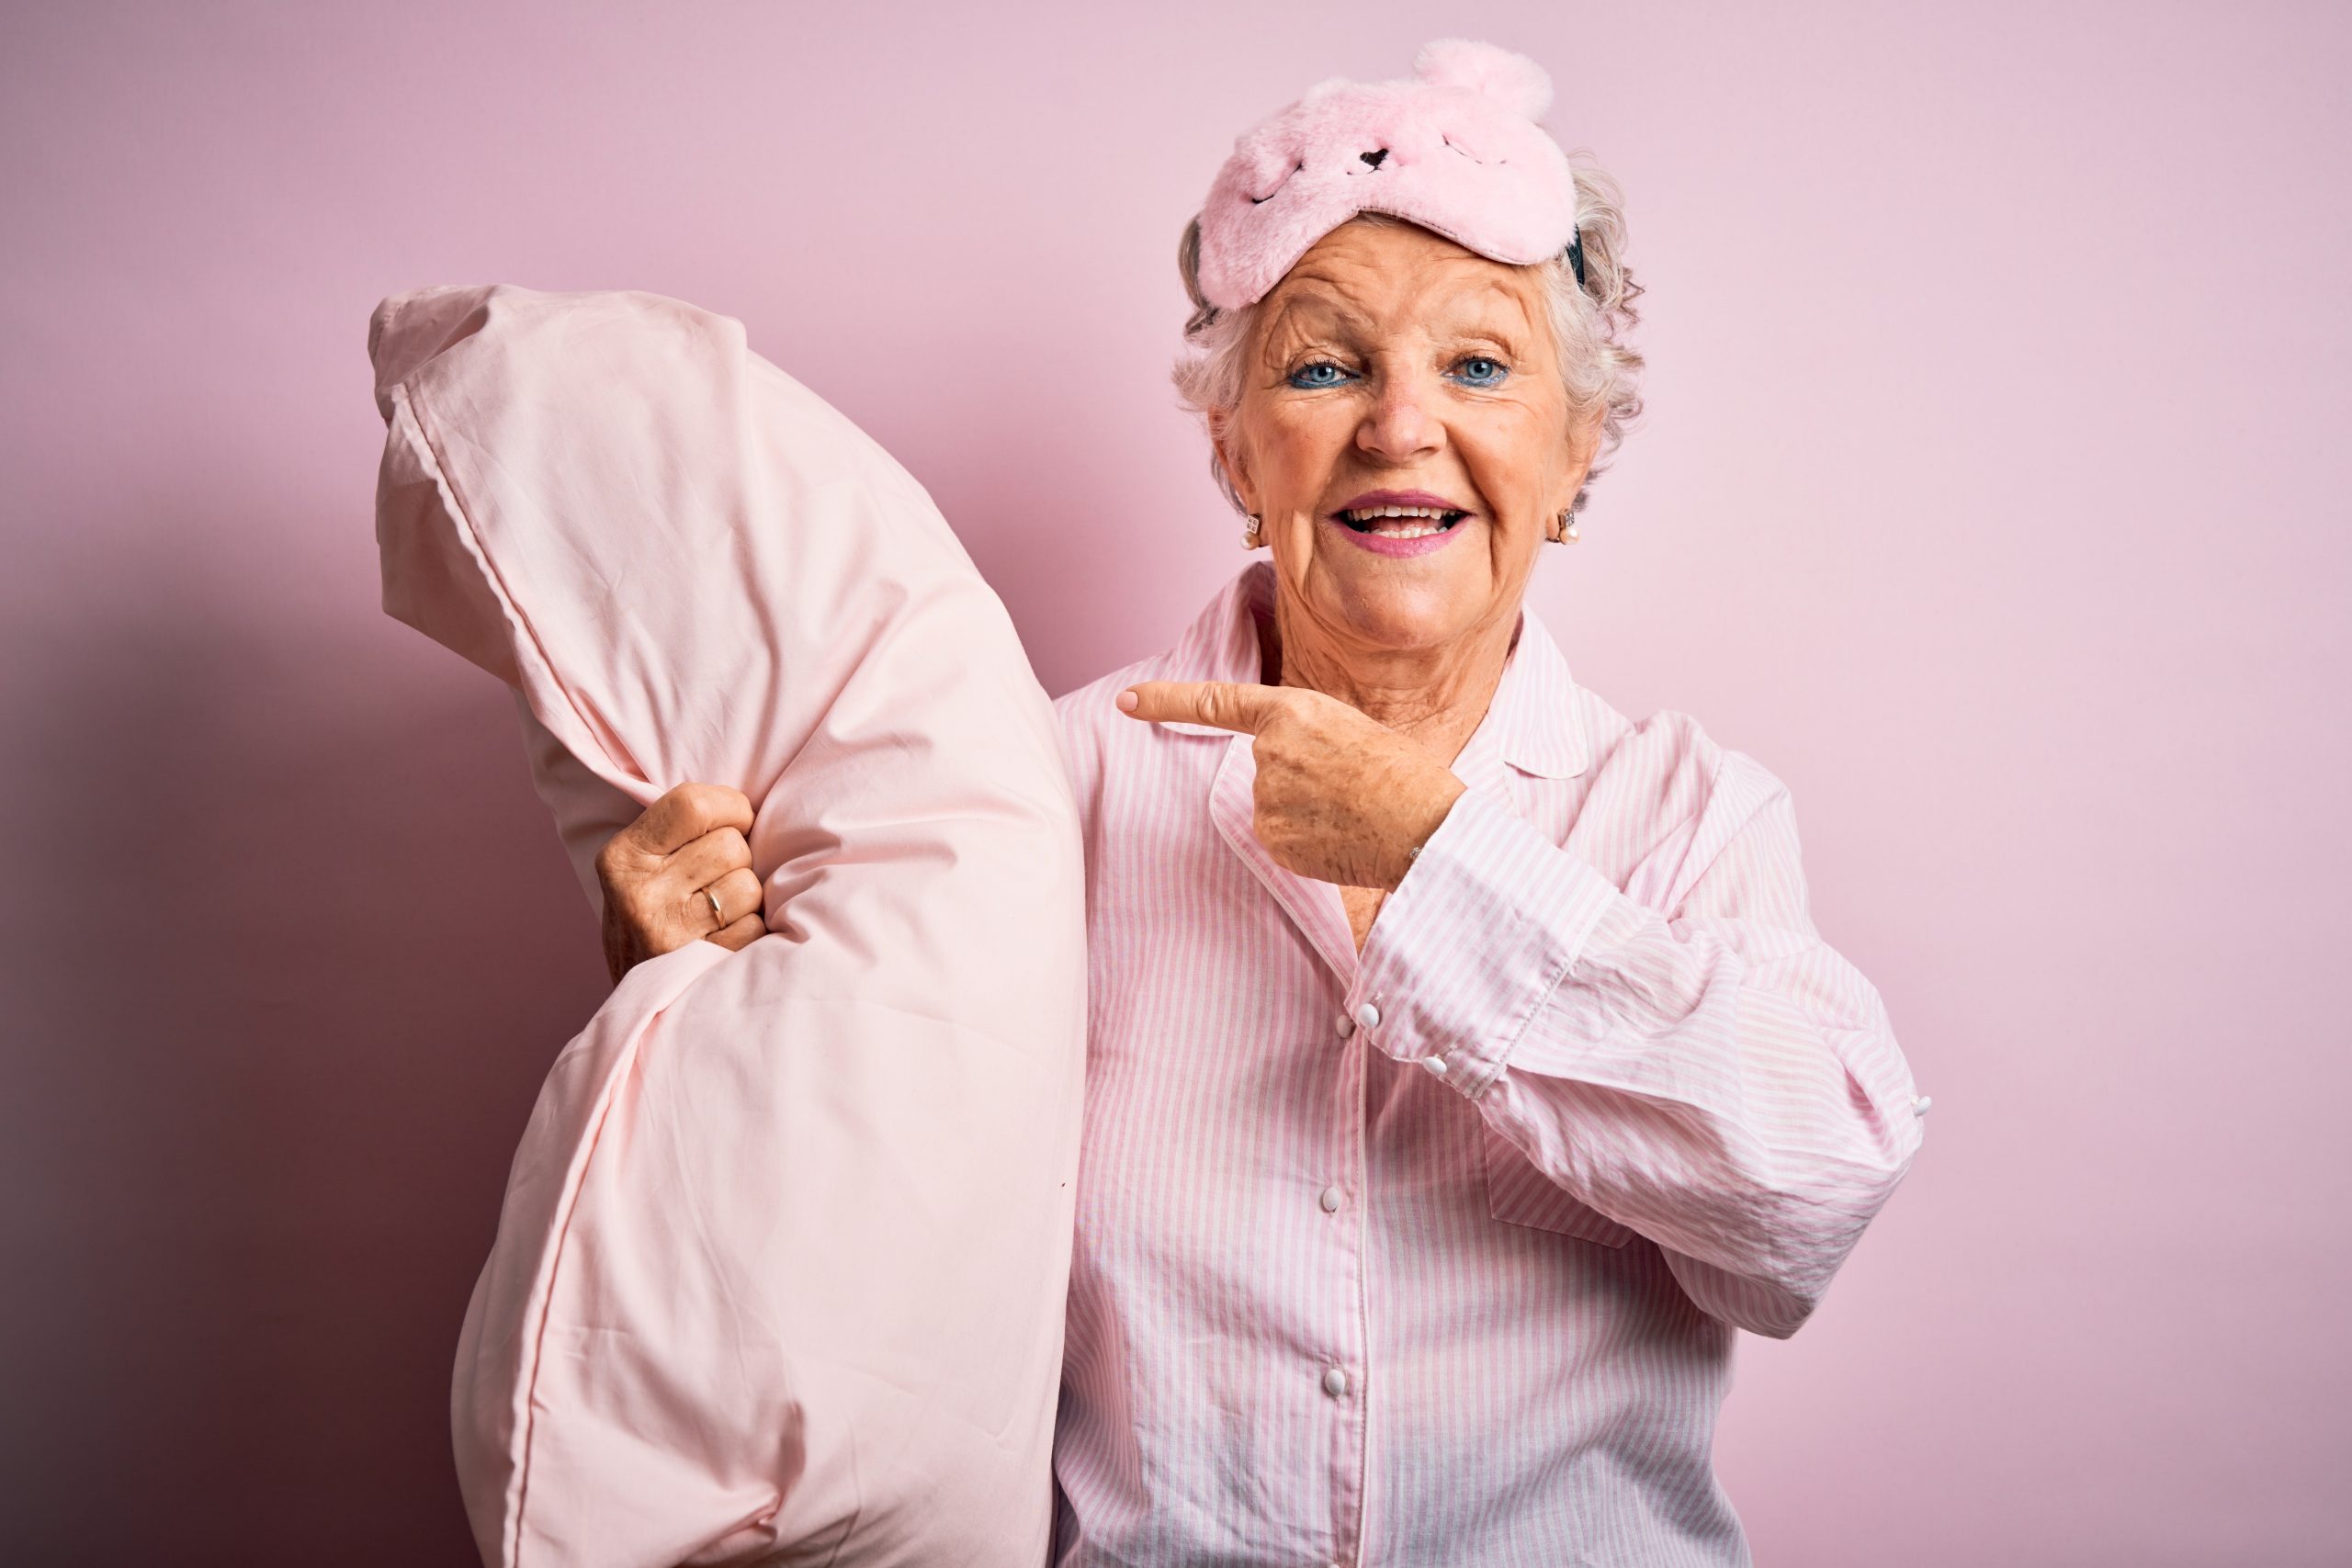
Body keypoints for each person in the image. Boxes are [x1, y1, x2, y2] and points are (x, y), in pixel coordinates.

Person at [594, 39, 1927, 1566]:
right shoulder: (1034, 785)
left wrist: (1439, 868)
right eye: (1323, 364)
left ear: (1576, 455)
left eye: (1480, 367)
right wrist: (688, 1007)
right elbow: (834, 1228)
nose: (1399, 427)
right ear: (1234, 446)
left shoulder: (1691, 813)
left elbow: (1809, 1198)